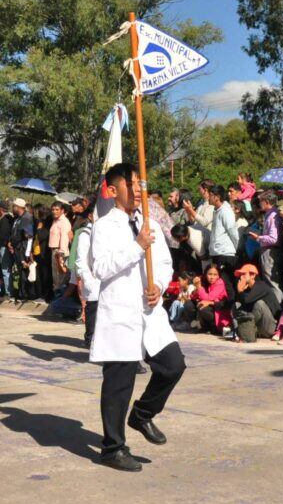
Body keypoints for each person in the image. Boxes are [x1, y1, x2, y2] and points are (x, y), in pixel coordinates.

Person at [89, 163, 184, 472]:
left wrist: (158, 285)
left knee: (172, 366)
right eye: (131, 183)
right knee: (119, 382)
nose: (139, 188)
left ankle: (142, 414)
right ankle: (112, 447)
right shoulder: (104, 226)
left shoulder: (150, 224)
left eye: (139, 182)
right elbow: (100, 268)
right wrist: (136, 247)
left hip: (149, 311)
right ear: (113, 191)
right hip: (120, 313)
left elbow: (165, 262)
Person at [251, 191, 283, 302]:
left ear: (267, 202)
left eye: (261, 201)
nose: (259, 203)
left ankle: (278, 307)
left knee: (272, 281)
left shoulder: (272, 216)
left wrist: (258, 237)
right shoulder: (270, 214)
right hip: (269, 250)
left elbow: (273, 238)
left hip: (270, 251)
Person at [73, 212, 100, 347]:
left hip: (107, 277)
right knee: (93, 307)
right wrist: (87, 280)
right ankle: (90, 338)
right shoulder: (86, 234)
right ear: (91, 215)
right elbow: (81, 260)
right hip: (93, 278)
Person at [234, 263, 280, 342]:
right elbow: (243, 305)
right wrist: (241, 292)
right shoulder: (247, 289)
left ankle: (245, 329)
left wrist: (240, 290)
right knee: (236, 304)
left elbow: (246, 300)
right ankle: (238, 331)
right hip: (258, 327)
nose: (241, 277)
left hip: (269, 327)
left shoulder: (261, 286)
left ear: (253, 275)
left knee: (260, 304)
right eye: (241, 275)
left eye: (244, 274)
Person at [182, 263, 231, 337]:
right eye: (210, 274)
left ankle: (209, 327)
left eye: (215, 274)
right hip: (209, 308)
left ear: (218, 276)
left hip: (218, 312)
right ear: (205, 274)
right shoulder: (203, 281)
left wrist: (199, 287)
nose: (212, 277)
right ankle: (195, 323)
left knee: (202, 307)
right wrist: (197, 287)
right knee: (188, 304)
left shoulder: (220, 283)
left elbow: (208, 298)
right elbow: (192, 296)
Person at [207, 185, 239, 290]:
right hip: (217, 252)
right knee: (218, 284)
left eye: (211, 195)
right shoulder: (217, 210)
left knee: (226, 283)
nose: (208, 197)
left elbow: (232, 231)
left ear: (217, 197)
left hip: (225, 253)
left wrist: (236, 248)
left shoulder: (225, 211)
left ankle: (231, 305)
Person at [10, 199, 36, 301]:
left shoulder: (27, 218)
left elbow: (29, 236)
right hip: (17, 248)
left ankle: (26, 294)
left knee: (25, 271)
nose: (13, 208)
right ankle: (21, 293)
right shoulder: (18, 218)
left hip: (24, 249)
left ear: (18, 207)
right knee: (20, 271)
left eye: (14, 206)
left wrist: (28, 252)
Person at [49, 202, 72, 296]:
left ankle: (59, 300)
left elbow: (64, 238)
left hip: (59, 252)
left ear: (62, 211)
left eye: (57, 209)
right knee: (56, 277)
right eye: (53, 209)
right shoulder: (56, 220)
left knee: (59, 278)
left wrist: (60, 254)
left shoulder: (64, 222)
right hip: (54, 251)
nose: (54, 211)